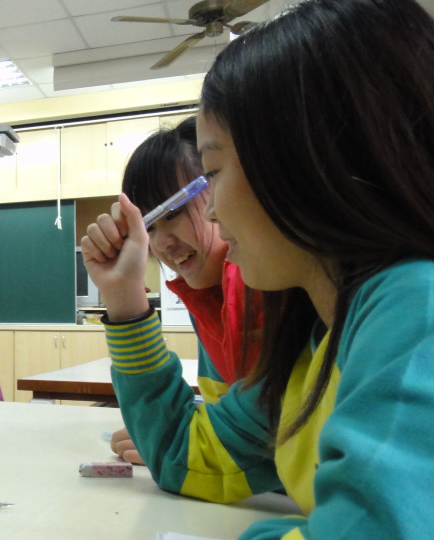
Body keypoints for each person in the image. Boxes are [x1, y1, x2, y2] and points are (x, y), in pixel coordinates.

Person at [85, 0, 434, 537]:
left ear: (308, 161)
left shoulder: (415, 306)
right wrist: (126, 303)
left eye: (214, 172)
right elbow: (183, 454)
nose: (214, 212)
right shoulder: (314, 344)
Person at [101, 117, 261, 465]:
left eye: (172, 213)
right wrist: (177, 436)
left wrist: (176, 442)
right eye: (149, 227)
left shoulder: (259, 291)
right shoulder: (205, 296)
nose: (161, 244)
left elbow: (268, 446)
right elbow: (249, 424)